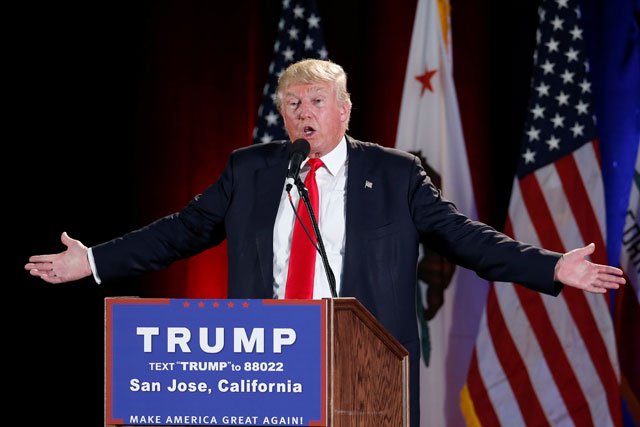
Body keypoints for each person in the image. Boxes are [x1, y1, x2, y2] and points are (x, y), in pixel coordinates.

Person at [25, 58, 625, 426]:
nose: (303, 113)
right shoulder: (251, 169)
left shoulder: (393, 174)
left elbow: (464, 238)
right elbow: (183, 231)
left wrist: (550, 268)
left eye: (316, 102)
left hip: (364, 371)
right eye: (292, 104)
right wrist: (95, 260)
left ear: (343, 110)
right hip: (264, 364)